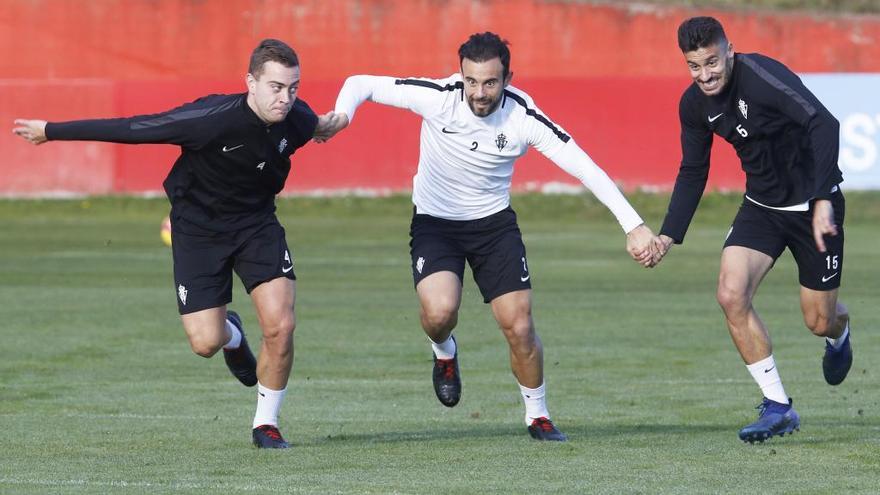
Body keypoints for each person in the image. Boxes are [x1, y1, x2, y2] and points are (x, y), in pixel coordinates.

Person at [325, 32, 657, 441]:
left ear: (507, 78)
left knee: (518, 326)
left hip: (493, 227)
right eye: (472, 81)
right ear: (461, 75)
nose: (479, 93)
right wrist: (342, 116)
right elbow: (362, 84)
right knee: (439, 314)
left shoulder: (523, 117)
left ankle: (538, 415)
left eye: (490, 82)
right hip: (436, 223)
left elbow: (583, 166)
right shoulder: (438, 97)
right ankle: (444, 352)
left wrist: (633, 224)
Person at [13, 39, 343, 449]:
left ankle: (266, 424)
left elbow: (317, 126)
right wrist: (51, 131)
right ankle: (233, 336)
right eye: (276, 87)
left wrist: (330, 124)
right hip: (198, 231)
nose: (286, 98)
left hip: (257, 225)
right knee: (205, 342)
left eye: (293, 87)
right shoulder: (209, 119)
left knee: (282, 325)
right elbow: (132, 129)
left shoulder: (297, 118)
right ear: (250, 83)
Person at [652, 17, 852, 443]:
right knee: (730, 293)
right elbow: (693, 170)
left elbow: (825, 124)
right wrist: (668, 233)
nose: (705, 75)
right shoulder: (693, 105)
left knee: (819, 320)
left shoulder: (761, 77)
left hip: (816, 205)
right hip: (761, 207)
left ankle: (841, 332)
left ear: (729, 51)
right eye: (694, 66)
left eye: (711, 62)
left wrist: (820, 200)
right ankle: (778, 406)